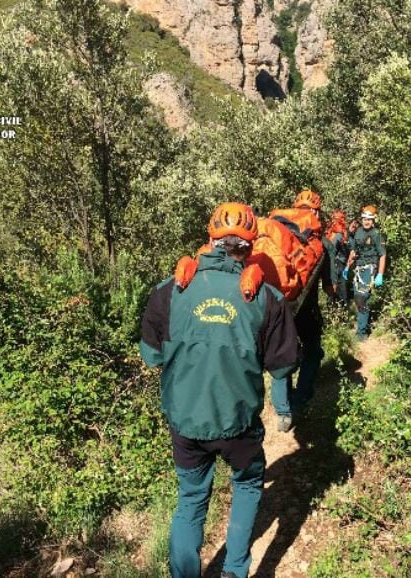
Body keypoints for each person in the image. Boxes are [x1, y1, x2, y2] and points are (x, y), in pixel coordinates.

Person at [139, 202, 299, 578]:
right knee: (246, 485)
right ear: (250, 246)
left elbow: (151, 356)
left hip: (185, 421)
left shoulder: (169, 291)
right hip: (238, 422)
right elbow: (282, 365)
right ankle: (235, 570)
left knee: (191, 499)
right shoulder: (267, 298)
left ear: (209, 239)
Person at [270, 188, 330, 414]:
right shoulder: (320, 243)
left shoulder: (279, 236)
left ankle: (282, 411)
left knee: (281, 357)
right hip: (306, 310)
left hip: (277, 308)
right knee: (313, 351)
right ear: (316, 210)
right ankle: (301, 399)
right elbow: (330, 286)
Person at [342, 205, 386, 340]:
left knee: (361, 298)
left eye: (369, 219)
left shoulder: (376, 234)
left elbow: (383, 255)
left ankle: (361, 333)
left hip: (370, 268)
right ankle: (363, 324)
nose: (367, 221)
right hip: (358, 269)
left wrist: (380, 274)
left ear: (373, 220)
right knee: (357, 297)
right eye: (365, 219)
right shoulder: (358, 232)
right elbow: (353, 251)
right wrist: (347, 267)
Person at [325, 209, 350, 306]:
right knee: (339, 286)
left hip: (336, 263)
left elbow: (332, 249)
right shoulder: (339, 233)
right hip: (339, 262)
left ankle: (339, 307)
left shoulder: (337, 234)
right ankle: (339, 306)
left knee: (338, 286)